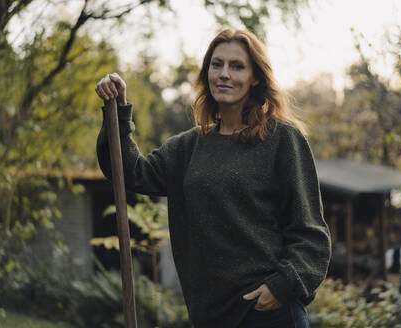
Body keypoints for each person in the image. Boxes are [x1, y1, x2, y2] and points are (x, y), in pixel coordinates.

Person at [95, 29, 331, 328]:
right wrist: (117, 109)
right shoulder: (187, 147)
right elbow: (130, 173)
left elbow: (311, 233)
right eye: (216, 64)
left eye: (237, 66)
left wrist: (282, 286)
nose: (224, 74)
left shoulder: (281, 139)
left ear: (255, 77)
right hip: (210, 315)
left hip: (267, 313)